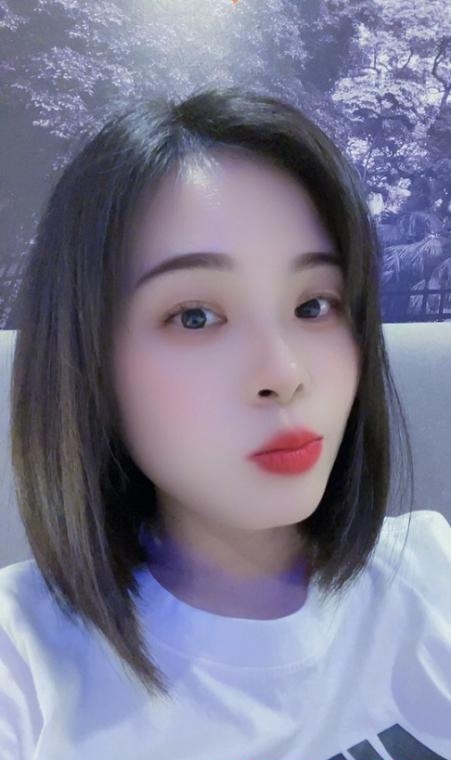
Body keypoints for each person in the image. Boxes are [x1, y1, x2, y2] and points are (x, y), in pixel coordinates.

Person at [0, 86, 450, 760]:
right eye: (195, 317)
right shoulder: (22, 659)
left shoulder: (428, 571)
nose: (283, 373)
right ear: (88, 361)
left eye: (313, 305)